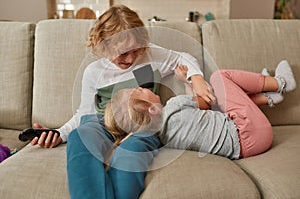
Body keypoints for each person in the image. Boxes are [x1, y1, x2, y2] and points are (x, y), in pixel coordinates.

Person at [30, 5, 212, 199]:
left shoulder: (150, 56)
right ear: (103, 45)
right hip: (103, 122)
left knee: (132, 150)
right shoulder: (94, 72)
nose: (131, 58)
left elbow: (183, 57)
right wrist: (59, 133)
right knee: (80, 135)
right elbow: (83, 114)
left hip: (142, 125)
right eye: (123, 53)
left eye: (136, 50)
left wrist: (197, 78)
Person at [105, 60, 296, 160]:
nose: (143, 87)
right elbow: (207, 101)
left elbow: (198, 112)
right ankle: (281, 83)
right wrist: (186, 78)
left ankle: (267, 96)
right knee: (219, 78)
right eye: (139, 91)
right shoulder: (174, 104)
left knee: (224, 106)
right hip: (250, 132)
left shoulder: (164, 138)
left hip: (247, 149)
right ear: (152, 110)